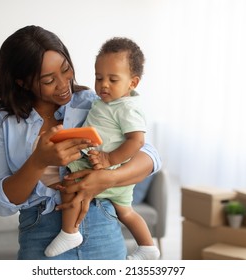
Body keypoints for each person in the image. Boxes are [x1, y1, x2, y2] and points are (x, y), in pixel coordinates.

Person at [0, 25, 161, 260]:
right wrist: (38, 161)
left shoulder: (93, 102)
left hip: (101, 222)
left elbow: (150, 155)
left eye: (66, 69)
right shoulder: (0, 122)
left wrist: (108, 178)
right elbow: (0, 204)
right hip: (40, 232)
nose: (64, 83)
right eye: (48, 80)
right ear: (22, 82)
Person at [44, 37, 160, 260]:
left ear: (132, 83)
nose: (103, 84)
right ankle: (147, 247)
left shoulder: (126, 108)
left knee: (70, 186)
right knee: (125, 211)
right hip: (100, 167)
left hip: (108, 169)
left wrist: (108, 160)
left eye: (113, 79)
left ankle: (70, 232)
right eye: (99, 77)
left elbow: (137, 141)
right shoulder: (103, 102)